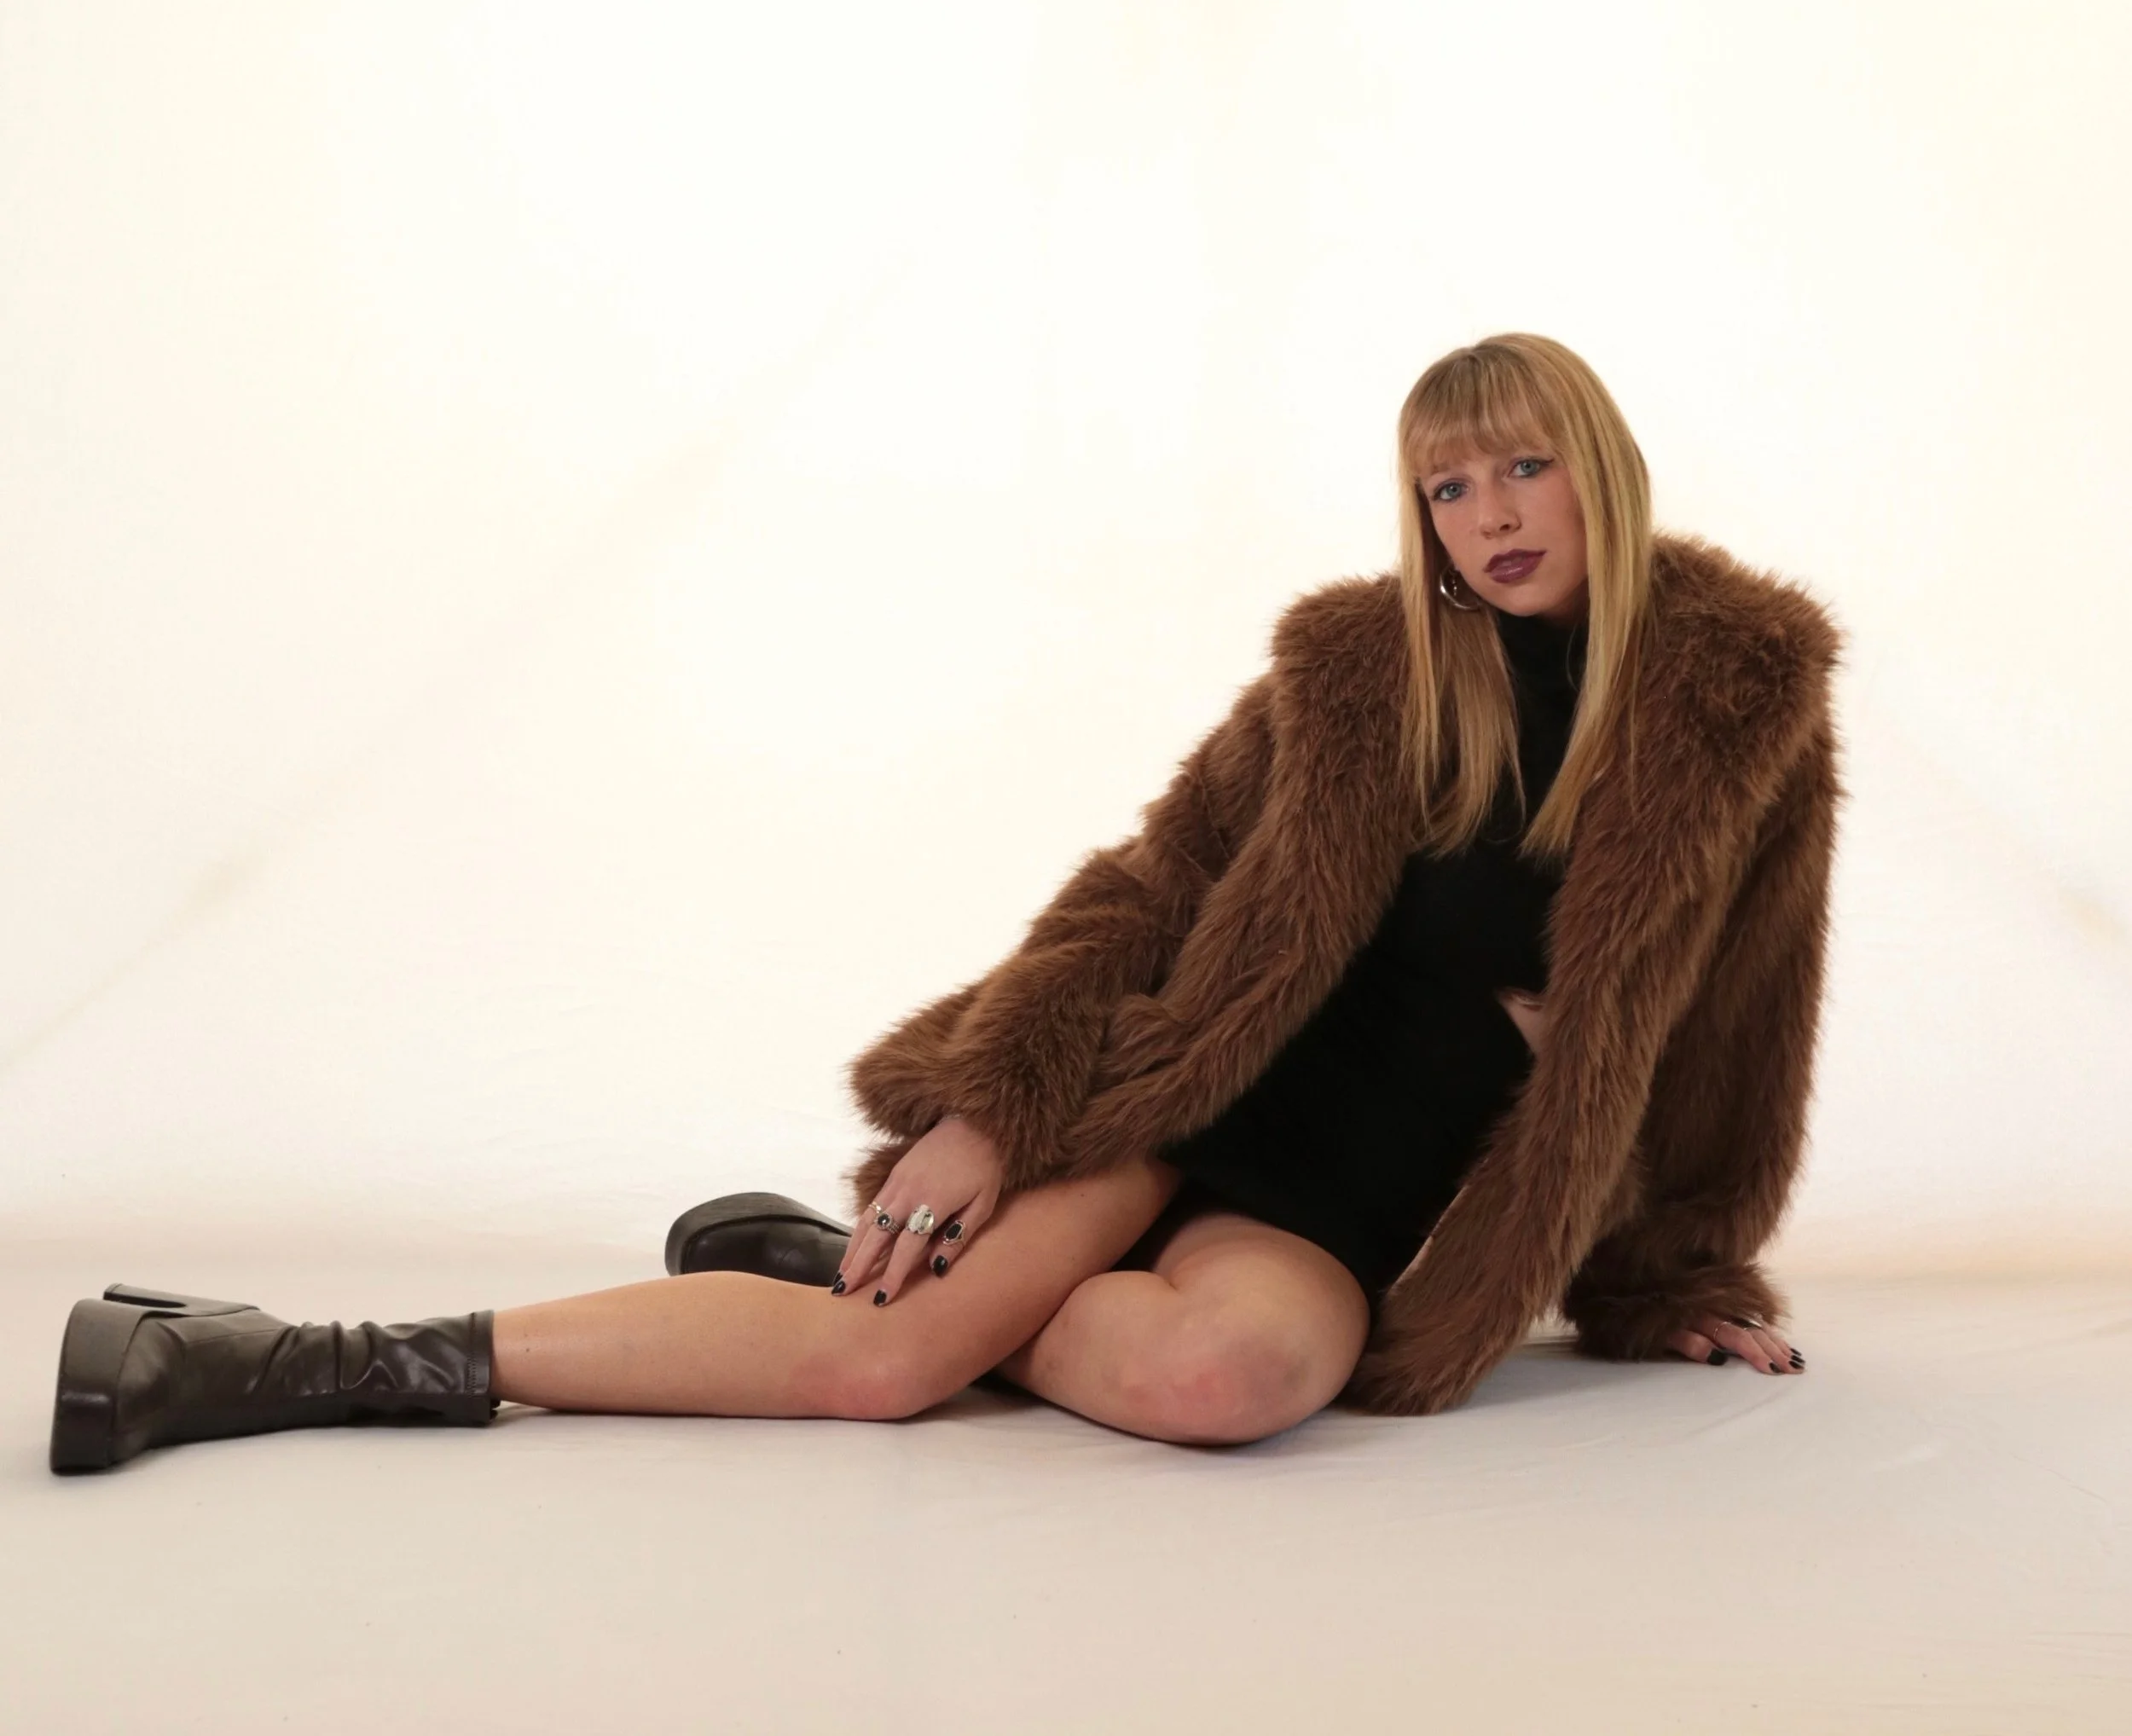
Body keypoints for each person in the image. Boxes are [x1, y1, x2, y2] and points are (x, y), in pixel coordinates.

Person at [49, 333, 1840, 1472]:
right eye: (1447, 485)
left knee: (1233, 1385)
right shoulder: (1358, 672)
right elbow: (1151, 888)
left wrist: (1667, 1274)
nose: (1487, 512)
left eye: (1521, 465)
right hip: (1175, 1112)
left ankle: (822, 1270)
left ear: (1597, 465)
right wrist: (997, 1100)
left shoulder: (1744, 710)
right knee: (881, 1374)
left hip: (1337, 1199)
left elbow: (1738, 1032)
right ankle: (275, 1359)